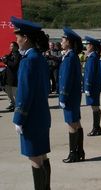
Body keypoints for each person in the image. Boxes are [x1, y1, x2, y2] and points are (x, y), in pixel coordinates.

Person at [11, 16, 51, 189]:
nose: (16, 40)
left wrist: (19, 118)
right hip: (41, 115)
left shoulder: (28, 61)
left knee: (35, 158)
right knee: (42, 156)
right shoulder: (39, 58)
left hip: (31, 118)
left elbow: (24, 93)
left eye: (17, 36)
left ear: (25, 38)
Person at [59, 28, 85, 163]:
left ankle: (73, 153)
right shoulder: (71, 55)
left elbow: (66, 79)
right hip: (74, 95)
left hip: (69, 96)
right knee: (76, 123)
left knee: (71, 124)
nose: (61, 42)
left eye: (63, 39)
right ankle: (79, 151)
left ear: (68, 42)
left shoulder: (70, 57)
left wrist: (62, 97)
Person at [83, 36, 101, 136]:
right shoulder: (93, 56)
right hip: (94, 86)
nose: (86, 46)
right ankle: (97, 127)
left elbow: (90, 74)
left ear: (92, 46)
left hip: (92, 86)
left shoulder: (92, 57)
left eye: (87, 44)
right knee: (95, 107)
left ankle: (96, 128)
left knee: (95, 107)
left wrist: (87, 86)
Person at [2, 41, 21, 111]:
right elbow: (6, 61)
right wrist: (3, 59)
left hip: (14, 77)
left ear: (16, 47)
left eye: (12, 46)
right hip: (7, 76)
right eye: (10, 46)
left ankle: (18, 106)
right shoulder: (10, 54)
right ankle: (12, 103)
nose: (10, 47)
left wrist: (6, 61)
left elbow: (15, 65)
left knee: (14, 93)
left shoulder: (18, 55)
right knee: (8, 91)